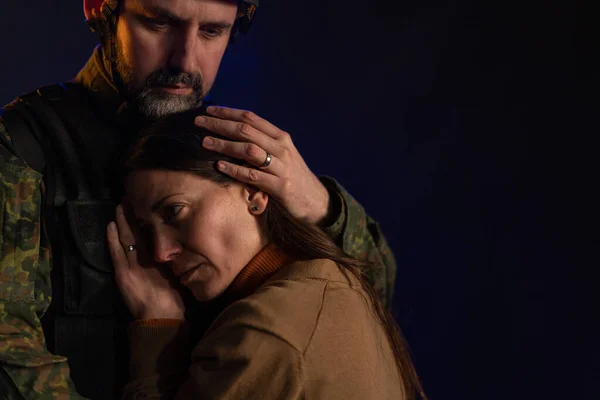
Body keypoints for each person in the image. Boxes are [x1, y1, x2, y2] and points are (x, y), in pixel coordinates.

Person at [0, 0, 397, 398]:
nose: (184, 59)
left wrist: (320, 206)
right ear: (99, 9)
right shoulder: (22, 148)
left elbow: (368, 306)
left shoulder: (232, 146)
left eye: (212, 31)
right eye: (158, 23)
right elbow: (8, 352)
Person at [107, 109, 425, 399]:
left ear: (254, 193)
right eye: (147, 230)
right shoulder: (338, 280)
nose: (161, 252)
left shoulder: (262, 333)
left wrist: (158, 333)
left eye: (175, 211)